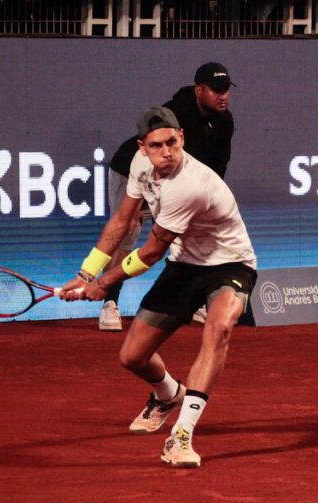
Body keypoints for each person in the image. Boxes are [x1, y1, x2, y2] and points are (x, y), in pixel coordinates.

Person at [61, 106, 257, 468]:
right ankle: (167, 393)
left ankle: (182, 435)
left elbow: (151, 252)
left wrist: (104, 284)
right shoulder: (138, 166)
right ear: (142, 147)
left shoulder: (190, 184)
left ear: (181, 137)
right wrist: (88, 272)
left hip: (230, 263)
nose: (167, 151)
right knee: (131, 357)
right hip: (184, 267)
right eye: (156, 145)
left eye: (172, 142)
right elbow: (122, 220)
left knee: (220, 327)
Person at [98, 62, 236, 331]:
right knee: (128, 233)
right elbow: (150, 161)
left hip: (174, 180)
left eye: (227, 90)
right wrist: (141, 203)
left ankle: (192, 301)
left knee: (194, 234)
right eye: (216, 90)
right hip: (134, 171)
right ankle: (109, 303)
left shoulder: (225, 120)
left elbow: (217, 168)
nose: (223, 95)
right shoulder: (174, 115)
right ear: (199, 90)